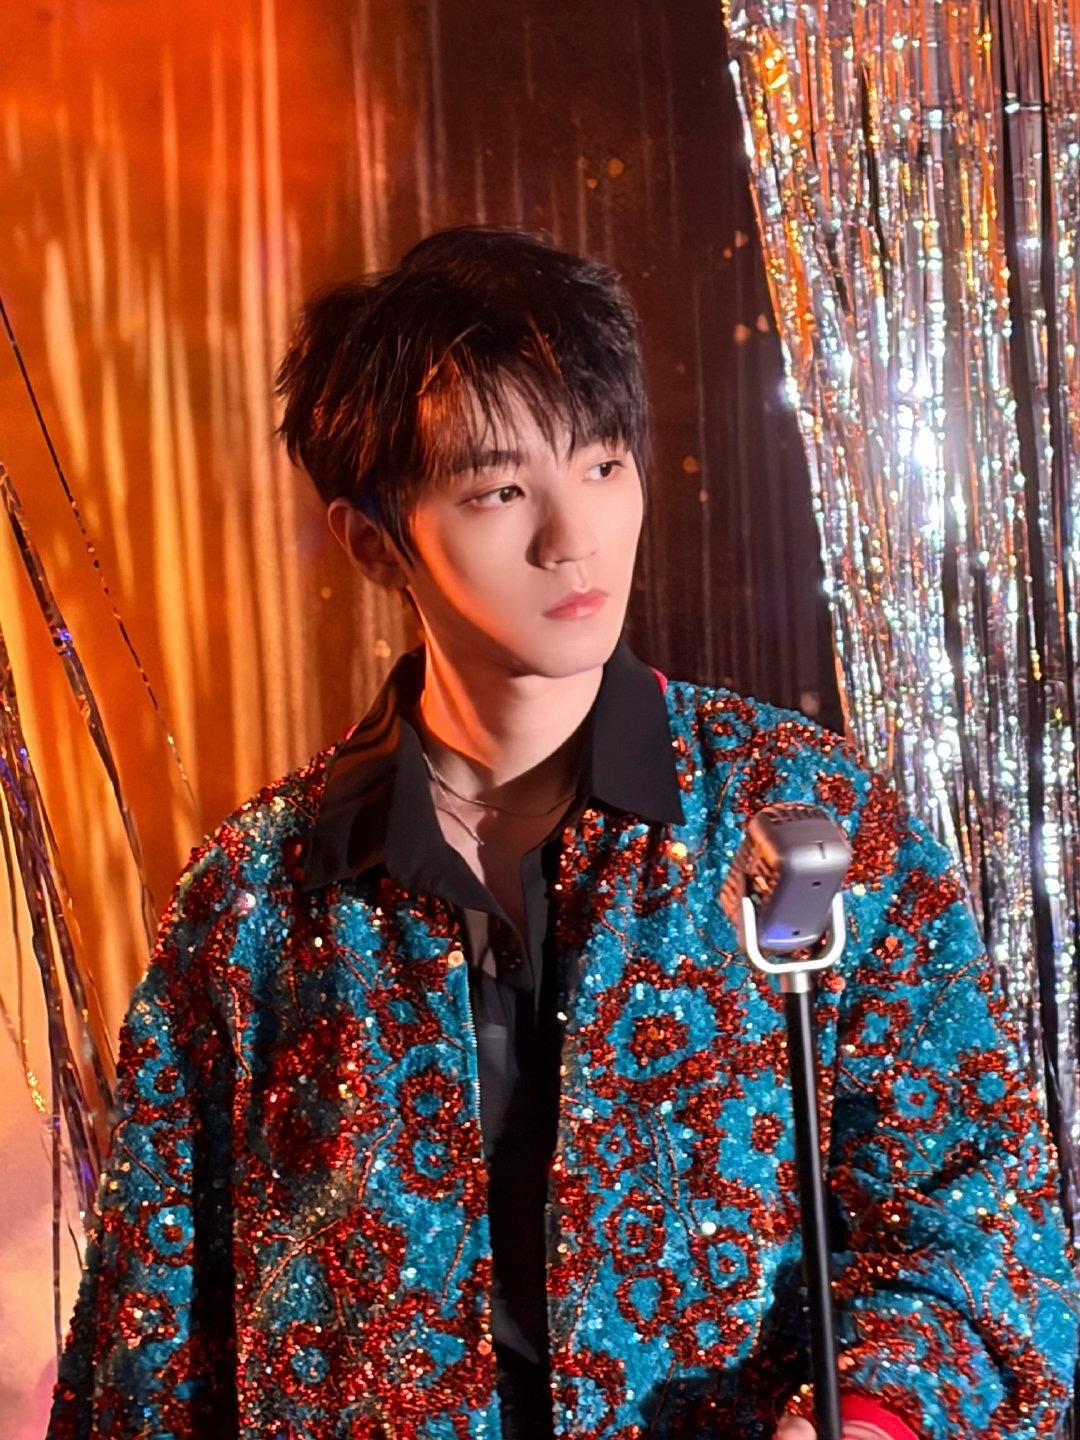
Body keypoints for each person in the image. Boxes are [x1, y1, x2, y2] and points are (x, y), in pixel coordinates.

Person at [48, 226, 1079, 1440]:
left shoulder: (802, 816)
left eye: (600, 464)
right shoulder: (257, 901)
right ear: (375, 541)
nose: (570, 537)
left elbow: (985, 1225)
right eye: (499, 491)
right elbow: (147, 1343)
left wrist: (869, 1417)